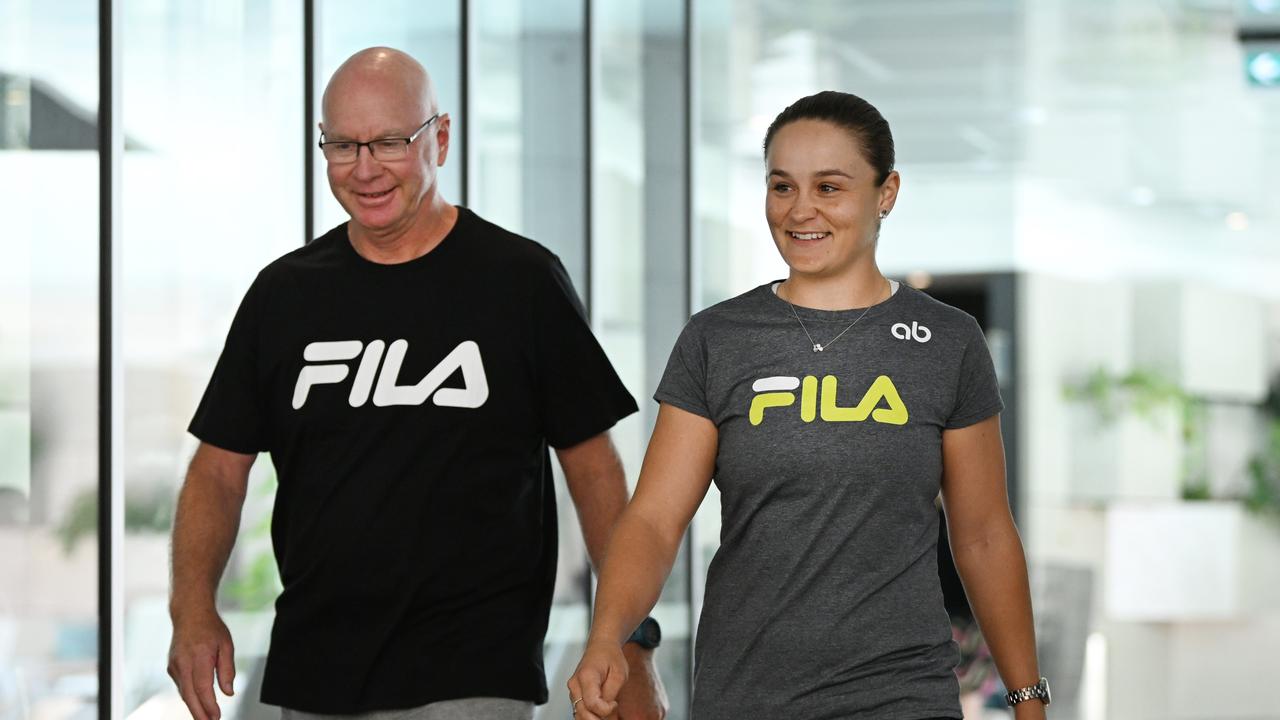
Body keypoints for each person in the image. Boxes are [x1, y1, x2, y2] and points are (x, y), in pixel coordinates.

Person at [166, 47, 668, 720]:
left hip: (474, 671)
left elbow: (595, 471)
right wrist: (192, 608)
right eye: (342, 145)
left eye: (390, 142)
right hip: (316, 675)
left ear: (441, 137)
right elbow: (218, 472)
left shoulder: (520, 283)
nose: (364, 168)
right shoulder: (283, 296)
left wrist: (631, 642)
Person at [568, 91, 1048, 720]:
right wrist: (609, 635)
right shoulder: (719, 339)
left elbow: (983, 535)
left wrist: (1027, 698)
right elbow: (656, 521)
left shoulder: (947, 341)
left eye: (829, 187)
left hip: (902, 694)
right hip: (746, 695)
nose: (800, 211)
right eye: (782, 186)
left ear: (886, 192)